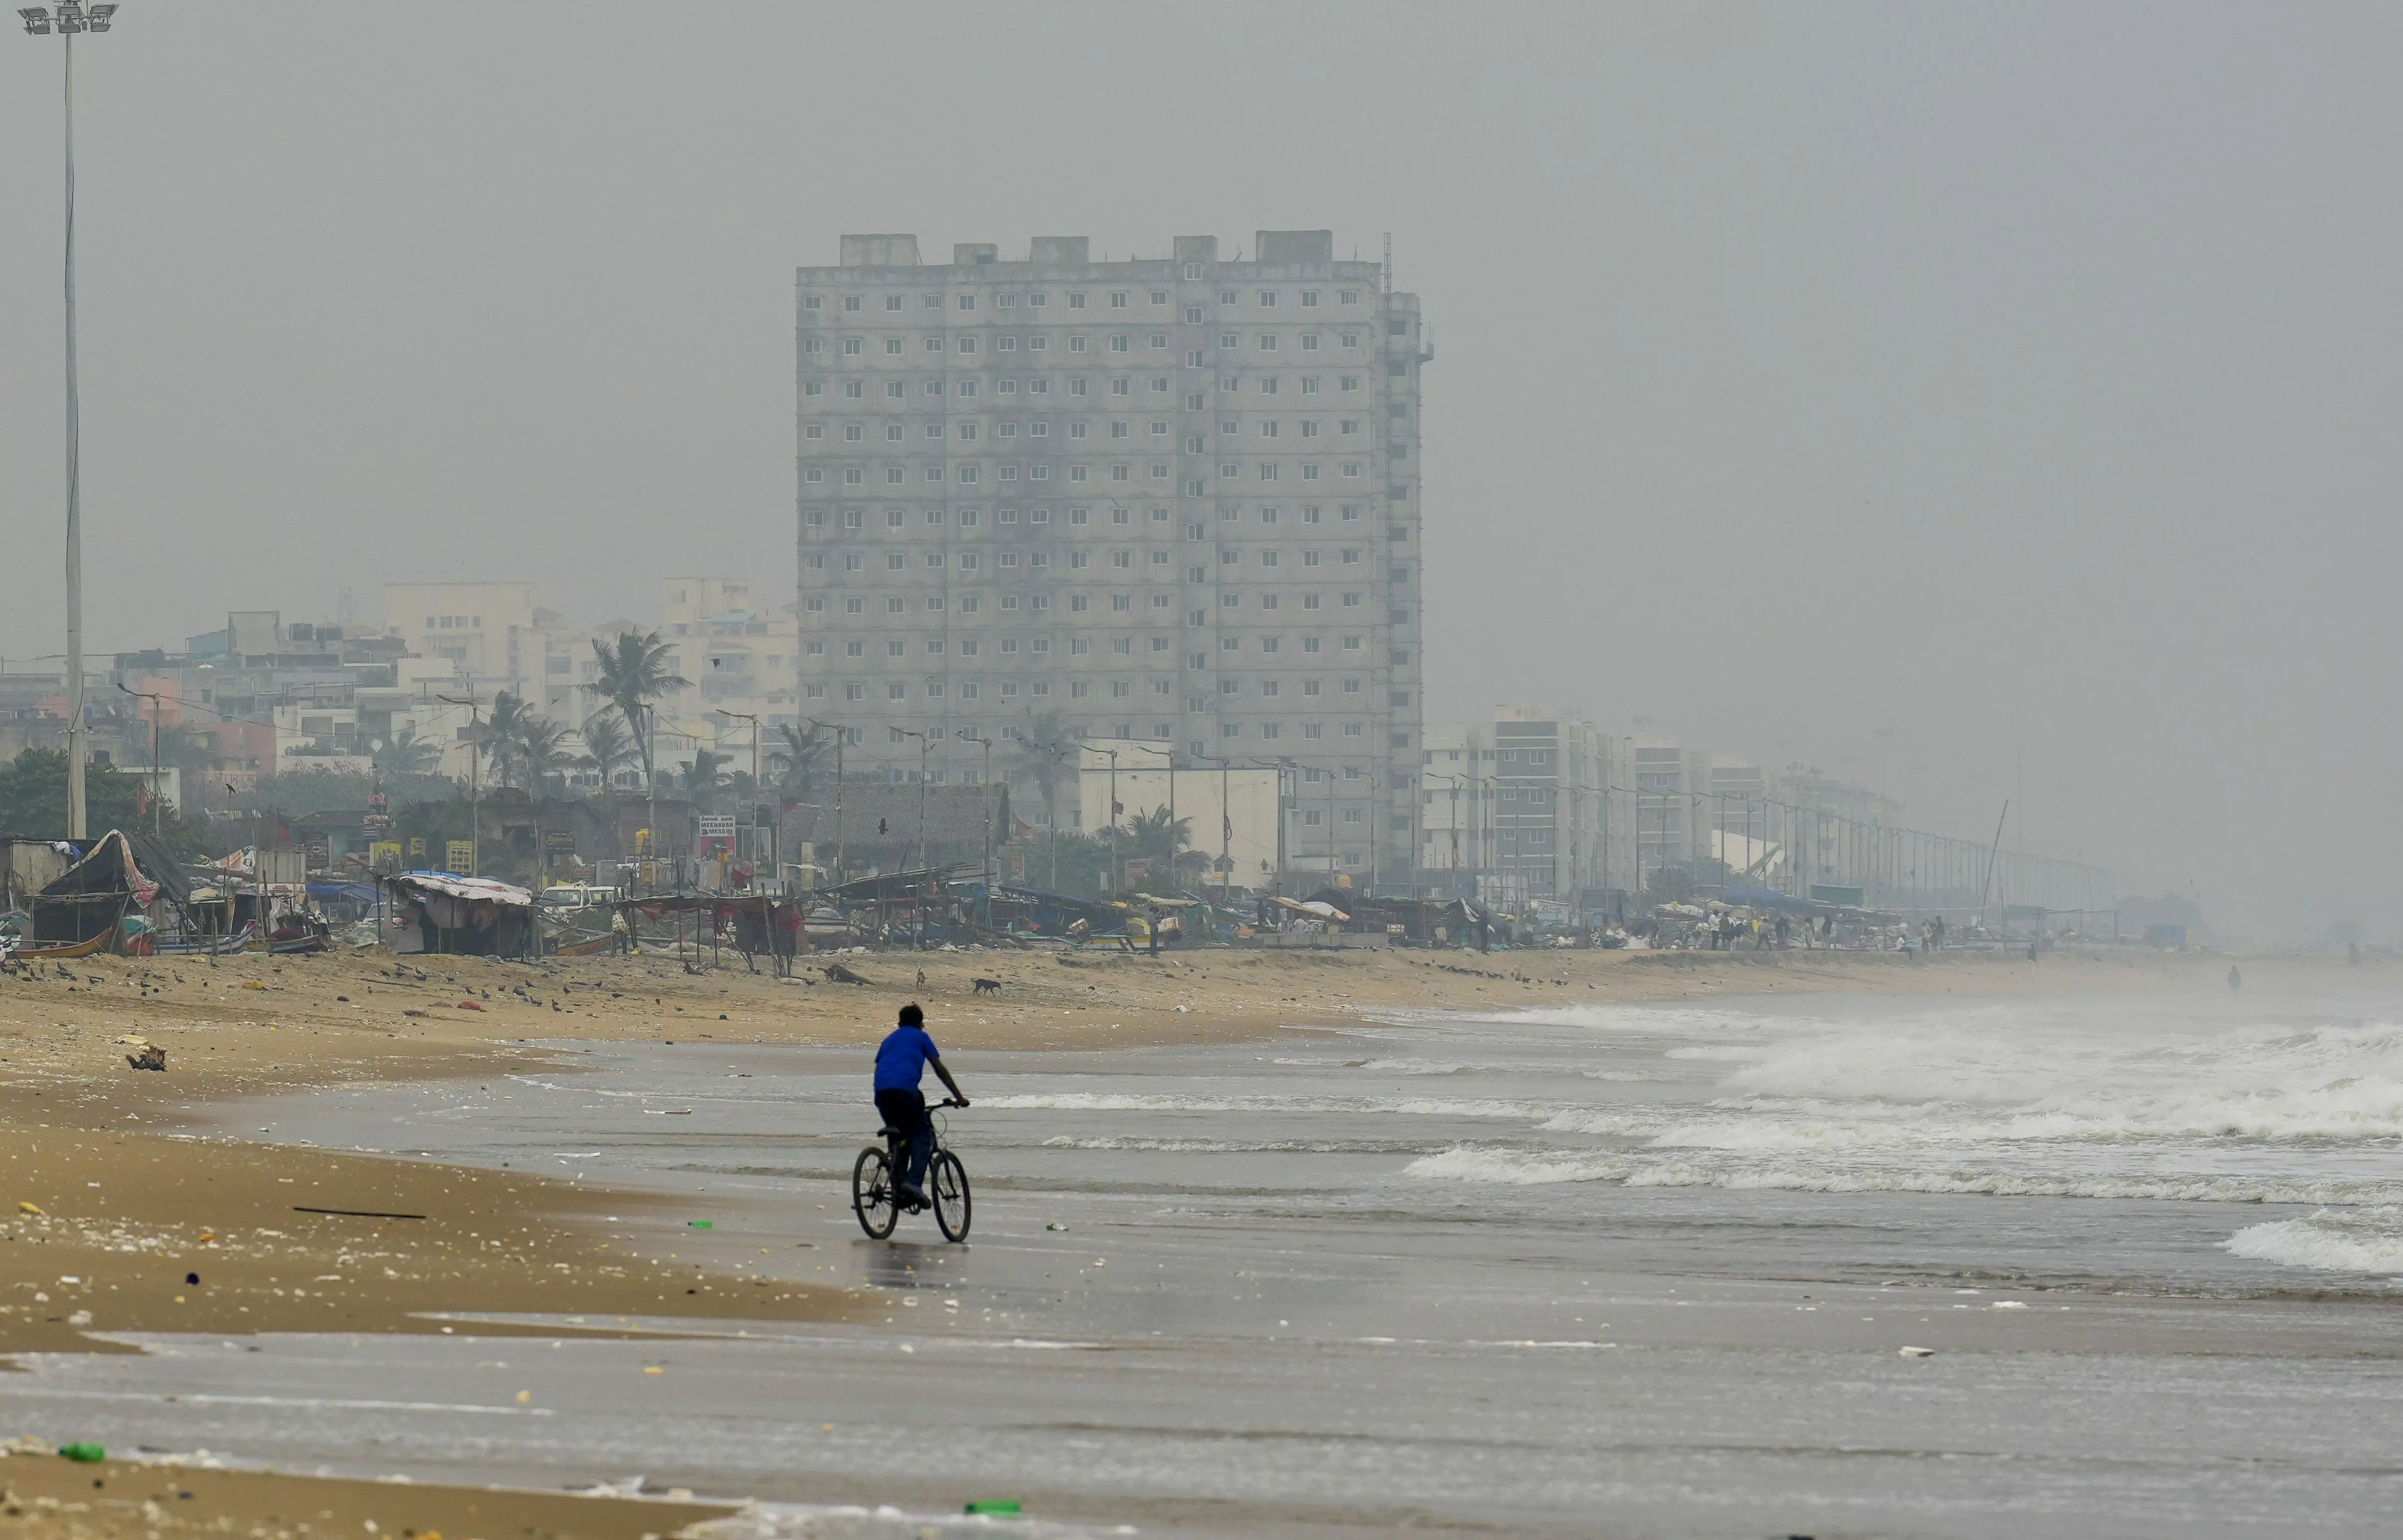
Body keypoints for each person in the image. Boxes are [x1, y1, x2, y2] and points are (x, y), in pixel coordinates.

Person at [873, 1002, 967, 1207]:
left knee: (900, 1138)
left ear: (900, 1022)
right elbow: (939, 1068)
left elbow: (881, 1065)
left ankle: (899, 1189)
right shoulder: (921, 1037)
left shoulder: (889, 1040)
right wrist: (959, 1097)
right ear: (920, 1023)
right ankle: (914, 1184)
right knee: (922, 1136)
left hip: (882, 1095)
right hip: (905, 1093)